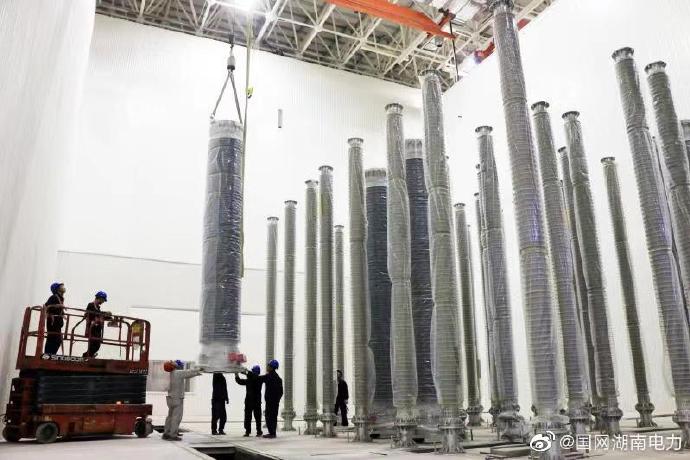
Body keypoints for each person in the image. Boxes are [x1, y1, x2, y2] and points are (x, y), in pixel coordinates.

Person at [163, 360, 203, 441]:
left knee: (170, 417)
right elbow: (188, 372)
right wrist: (199, 369)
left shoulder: (171, 374)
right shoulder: (177, 373)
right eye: (172, 362)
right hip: (177, 399)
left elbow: (187, 373)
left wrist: (196, 373)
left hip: (170, 398)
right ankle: (173, 435)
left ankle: (166, 433)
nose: (174, 362)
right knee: (176, 417)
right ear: (172, 366)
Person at [235, 365, 263, 437]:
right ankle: (258, 431)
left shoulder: (255, 379)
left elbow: (240, 381)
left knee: (249, 417)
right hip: (256, 402)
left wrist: (244, 372)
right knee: (257, 417)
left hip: (250, 402)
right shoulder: (257, 380)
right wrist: (238, 374)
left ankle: (248, 431)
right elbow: (240, 381)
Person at [259, 359, 283, 439]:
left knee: (269, 417)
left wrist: (248, 373)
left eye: (268, 366)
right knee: (273, 417)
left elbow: (258, 378)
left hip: (270, 401)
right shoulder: (278, 378)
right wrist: (277, 400)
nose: (267, 367)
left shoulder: (269, 376)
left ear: (272, 367)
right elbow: (281, 392)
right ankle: (272, 432)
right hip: (274, 402)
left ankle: (272, 433)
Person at [83, 291, 110, 358]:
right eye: (103, 300)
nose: (103, 302)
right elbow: (92, 314)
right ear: (100, 298)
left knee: (97, 345)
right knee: (94, 344)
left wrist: (107, 315)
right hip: (92, 328)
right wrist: (104, 314)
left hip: (97, 329)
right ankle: (86, 356)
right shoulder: (91, 305)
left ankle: (88, 356)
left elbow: (98, 314)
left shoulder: (97, 307)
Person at [44, 282, 66, 355]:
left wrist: (62, 314)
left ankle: (51, 355)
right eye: (61, 286)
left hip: (57, 323)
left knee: (57, 340)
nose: (63, 287)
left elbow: (58, 309)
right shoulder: (53, 297)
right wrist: (56, 306)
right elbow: (46, 306)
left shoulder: (60, 298)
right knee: (52, 339)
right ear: (57, 289)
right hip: (52, 322)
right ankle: (47, 355)